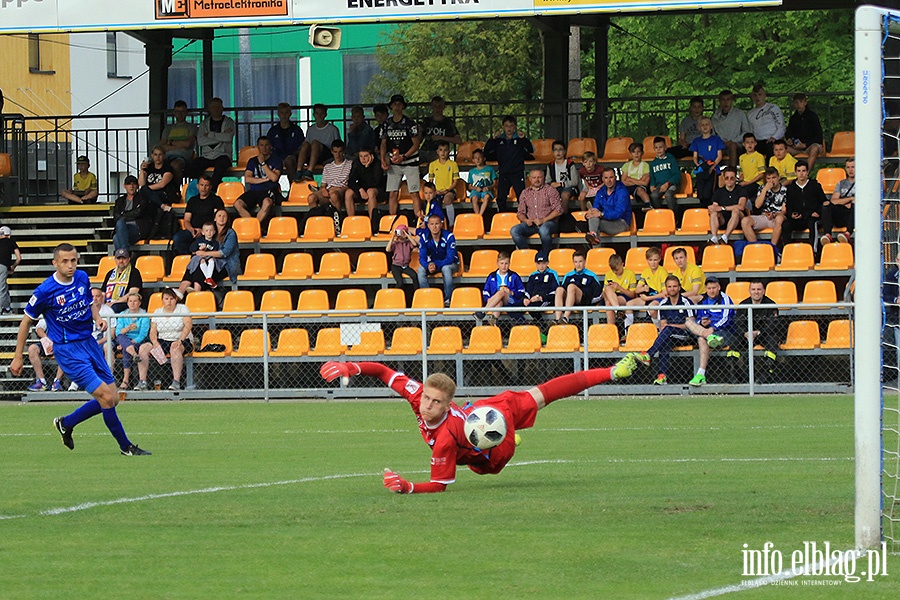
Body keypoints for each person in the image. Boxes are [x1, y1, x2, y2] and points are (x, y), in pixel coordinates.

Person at [319, 354, 642, 494]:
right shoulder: (417, 396)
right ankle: (504, 429)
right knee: (535, 397)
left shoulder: (446, 437)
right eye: (427, 399)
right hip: (481, 413)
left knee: (542, 394)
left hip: (492, 453)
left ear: (448, 405)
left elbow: (440, 486)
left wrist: (408, 487)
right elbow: (383, 371)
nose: (428, 406)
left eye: (436, 403)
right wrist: (351, 366)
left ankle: (614, 371)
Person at [9, 243, 150, 455]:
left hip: (89, 343)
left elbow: (88, 303)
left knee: (112, 398)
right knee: (105, 397)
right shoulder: (45, 291)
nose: (70, 265)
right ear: (54, 263)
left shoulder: (82, 278)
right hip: (69, 351)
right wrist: (17, 356)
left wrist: (99, 318)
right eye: (65, 261)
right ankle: (126, 447)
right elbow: (25, 322)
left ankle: (67, 423)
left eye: (73, 260)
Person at [632, 275, 707, 386]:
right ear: (666, 288)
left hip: (687, 335)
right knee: (664, 342)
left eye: (675, 286)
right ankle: (662, 376)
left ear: (679, 287)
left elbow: (691, 325)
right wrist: (670, 328)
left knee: (668, 330)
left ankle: (648, 354)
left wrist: (672, 326)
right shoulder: (663, 304)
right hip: (672, 335)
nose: (672, 289)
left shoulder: (686, 303)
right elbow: (663, 326)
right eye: (669, 286)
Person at [136, 287, 192, 391]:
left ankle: (176, 382)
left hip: (180, 339)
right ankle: (142, 381)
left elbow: (188, 325)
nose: (169, 301)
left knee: (174, 348)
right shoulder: (157, 311)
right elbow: (153, 330)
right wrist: (155, 342)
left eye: (172, 299)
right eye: (166, 299)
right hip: (162, 339)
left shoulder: (183, 308)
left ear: (176, 299)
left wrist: (180, 340)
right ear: (162, 300)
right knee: (143, 348)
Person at [178, 208, 240, 293]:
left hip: (225, 265)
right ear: (215, 218)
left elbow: (224, 253)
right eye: (219, 215)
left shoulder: (231, 233)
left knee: (199, 269)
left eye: (224, 216)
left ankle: (196, 292)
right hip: (210, 262)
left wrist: (205, 253)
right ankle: (180, 291)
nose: (221, 218)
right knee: (195, 264)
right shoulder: (210, 231)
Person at [381, 94, 422, 216]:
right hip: (394, 162)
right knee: (392, 193)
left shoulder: (410, 123)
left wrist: (404, 156)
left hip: (410, 162)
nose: (397, 106)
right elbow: (383, 143)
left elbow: (416, 144)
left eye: (399, 104)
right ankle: (392, 221)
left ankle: (418, 220)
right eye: (394, 104)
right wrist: (383, 159)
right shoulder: (386, 124)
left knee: (414, 192)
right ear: (391, 106)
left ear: (403, 106)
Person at [683, 276, 737, 368]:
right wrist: (701, 322)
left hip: (724, 332)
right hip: (706, 331)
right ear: (705, 289)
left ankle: (701, 373)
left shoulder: (725, 299)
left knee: (701, 338)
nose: (711, 291)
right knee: (688, 322)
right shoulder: (703, 300)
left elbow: (726, 318)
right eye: (709, 288)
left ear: (719, 287)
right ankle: (701, 373)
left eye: (714, 288)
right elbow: (698, 317)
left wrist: (713, 328)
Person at [483, 115, 533, 212]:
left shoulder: (519, 140)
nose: (509, 128)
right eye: (506, 125)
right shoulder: (498, 140)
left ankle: (524, 217)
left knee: (521, 197)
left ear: (515, 127)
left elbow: (530, 150)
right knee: (501, 197)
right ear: (503, 127)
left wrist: (523, 138)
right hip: (504, 172)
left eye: (511, 125)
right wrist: (493, 139)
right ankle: (502, 216)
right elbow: (486, 151)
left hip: (517, 172)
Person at [735, 280, 780, 383]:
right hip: (747, 336)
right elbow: (737, 324)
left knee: (772, 343)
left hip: (764, 335)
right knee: (734, 343)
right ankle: (736, 376)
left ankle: (766, 374)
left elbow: (774, 325)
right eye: (753, 289)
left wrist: (759, 332)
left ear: (763, 291)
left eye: (759, 289)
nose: (756, 292)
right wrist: (745, 333)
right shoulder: (743, 305)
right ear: (749, 291)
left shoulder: (771, 304)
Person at [511, 168, 562, 256]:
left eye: (539, 177)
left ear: (544, 178)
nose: (537, 180)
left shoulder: (551, 190)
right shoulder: (525, 193)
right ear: (530, 179)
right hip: (531, 224)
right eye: (534, 177)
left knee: (544, 230)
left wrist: (543, 220)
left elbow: (558, 210)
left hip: (549, 223)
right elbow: (520, 213)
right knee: (514, 230)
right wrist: (526, 220)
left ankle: (546, 256)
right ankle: (528, 255)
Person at [234, 135, 283, 225]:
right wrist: (264, 179)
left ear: (270, 146)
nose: (264, 148)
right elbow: (247, 179)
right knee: (238, 204)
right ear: (258, 147)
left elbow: (274, 178)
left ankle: (255, 225)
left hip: (269, 190)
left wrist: (263, 163)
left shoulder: (276, 160)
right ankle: (253, 225)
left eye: (266, 145)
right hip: (254, 190)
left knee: (267, 203)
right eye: (261, 145)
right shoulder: (252, 161)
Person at [189, 97, 235, 191]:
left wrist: (210, 135)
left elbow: (228, 137)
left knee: (220, 167)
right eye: (213, 107)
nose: (216, 109)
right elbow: (201, 141)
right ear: (209, 109)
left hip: (223, 154)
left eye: (218, 106)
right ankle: (199, 188)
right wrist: (221, 137)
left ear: (222, 108)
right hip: (206, 155)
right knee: (191, 168)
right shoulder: (204, 124)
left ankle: (211, 189)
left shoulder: (229, 122)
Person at [173, 173, 225, 256]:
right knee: (178, 238)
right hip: (194, 231)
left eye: (206, 185)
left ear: (210, 187)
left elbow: (219, 219)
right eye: (201, 185)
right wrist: (193, 230)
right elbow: (186, 220)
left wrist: (204, 230)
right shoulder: (192, 201)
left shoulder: (216, 200)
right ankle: (190, 256)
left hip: (210, 231)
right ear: (197, 186)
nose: (203, 188)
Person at [781, 160, 826, 248]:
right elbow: (789, 205)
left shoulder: (815, 185)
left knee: (813, 224)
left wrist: (817, 212)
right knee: (785, 225)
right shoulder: (791, 188)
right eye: (799, 171)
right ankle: (787, 250)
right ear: (795, 172)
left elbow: (823, 201)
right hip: (798, 218)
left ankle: (813, 251)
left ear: (807, 172)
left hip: (812, 217)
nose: (801, 174)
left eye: (803, 171)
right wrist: (791, 214)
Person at [624, 246, 668, 332]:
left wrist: (648, 298)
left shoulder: (663, 272)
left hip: (658, 298)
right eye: (650, 260)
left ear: (659, 260)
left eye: (655, 260)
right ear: (647, 260)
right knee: (629, 304)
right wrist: (644, 288)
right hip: (647, 297)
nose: (653, 263)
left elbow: (664, 294)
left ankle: (659, 330)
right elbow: (637, 290)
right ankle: (628, 332)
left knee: (652, 308)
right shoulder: (645, 271)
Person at [553, 249, 603, 324]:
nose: (578, 264)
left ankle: (566, 317)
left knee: (571, 286)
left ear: (585, 262)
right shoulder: (568, 275)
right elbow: (563, 290)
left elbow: (598, 294)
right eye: (576, 262)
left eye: (580, 261)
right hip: (569, 300)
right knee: (559, 289)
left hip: (584, 300)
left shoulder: (591, 275)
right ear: (573, 262)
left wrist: (592, 304)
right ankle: (557, 319)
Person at [476, 251, 526, 326]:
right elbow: (486, 291)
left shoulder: (514, 276)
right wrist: (488, 299)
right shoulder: (492, 276)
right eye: (502, 263)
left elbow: (522, 291)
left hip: (511, 301)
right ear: (497, 263)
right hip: (496, 301)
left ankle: (483, 312)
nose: (504, 266)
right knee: (498, 302)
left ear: (509, 264)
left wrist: (511, 292)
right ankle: (493, 325)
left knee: (502, 292)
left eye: (506, 263)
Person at [417, 214, 458, 304]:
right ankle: (427, 298)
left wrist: (436, 265)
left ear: (441, 224)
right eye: (432, 224)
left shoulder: (449, 236)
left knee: (446, 269)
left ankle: (448, 299)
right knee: (420, 270)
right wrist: (428, 266)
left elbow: (450, 258)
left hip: (450, 264)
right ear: (428, 225)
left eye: (437, 224)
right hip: (432, 264)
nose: (434, 227)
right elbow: (422, 257)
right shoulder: (424, 237)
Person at [585, 167, 631, 246]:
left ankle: (596, 249)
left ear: (615, 178)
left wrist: (601, 214)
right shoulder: (601, 191)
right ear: (602, 179)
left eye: (611, 177)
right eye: (606, 178)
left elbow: (618, 213)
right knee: (594, 219)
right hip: (605, 221)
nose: (609, 180)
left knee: (596, 224)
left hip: (621, 222)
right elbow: (596, 208)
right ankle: (593, 236)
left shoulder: (622, 191)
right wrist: (589, 213)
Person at [741, 167, 787, 247]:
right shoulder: (762, 188)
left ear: (778, 177)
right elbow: (757, 205)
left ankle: (773, 248)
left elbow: (784, 210)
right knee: (745, 221)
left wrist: (775, 214)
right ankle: (756, 247)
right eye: (768, 178)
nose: (771, 181)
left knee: (779, 218)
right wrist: (765, 190)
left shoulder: (785, 190)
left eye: (774, 178)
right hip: (764, 216)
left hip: (777, 218)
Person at [139, 145, 178, 240]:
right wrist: (142, 170)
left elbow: (162, 184)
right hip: (151, 196)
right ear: (152, 155)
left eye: (160, 155)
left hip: (164, 194)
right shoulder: (150, 167)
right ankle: (162, 206)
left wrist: (146, 190)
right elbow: (141, 183)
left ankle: (161, 205)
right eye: (155, 154)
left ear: (164, 156)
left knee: (144, 191)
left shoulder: (167, 168)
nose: (157, 157)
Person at [114, 292, 149, 390]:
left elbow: (143, 334)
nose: (132, 303)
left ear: (139, 303)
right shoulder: (122, 315)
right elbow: (118, 332)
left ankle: (125, 381)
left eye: (135, 301)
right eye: (130, 301)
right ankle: (134, 355)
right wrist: (128, 328)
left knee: (126, 349)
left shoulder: (144, 315)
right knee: (122, 337)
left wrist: (130, 343)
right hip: (124, 339)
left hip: (137, 341)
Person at [297, 103, 341, 180]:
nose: (319, 116)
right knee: (305, 144)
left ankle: (309, 171)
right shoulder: (311, 129)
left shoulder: (333, 129)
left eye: (321, 113)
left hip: (326, 156)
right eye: (317, 113)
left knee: (315, 143)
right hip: (312, 157)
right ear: (314, 115)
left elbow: (338, 145)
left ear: (325, 115)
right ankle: (299, 170)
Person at [309, 139, 353, 216]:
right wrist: (323, 190)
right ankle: (316, 221)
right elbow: (323, 184)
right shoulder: (327, 167)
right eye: (335, 152)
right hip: (328, 190)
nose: (337, 155)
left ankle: (337, 219)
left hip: (341, 189)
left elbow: (351, 184)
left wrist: (336, 189)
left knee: (334, 195)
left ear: (343, 152)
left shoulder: (350, 165)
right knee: (311, 198)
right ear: (332, 152)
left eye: (340, 152)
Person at [159, 100, 197, 183]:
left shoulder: (191, 127)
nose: (180, 114)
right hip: (167, 156)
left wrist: (170, 143)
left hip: (183, 156)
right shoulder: (168, 128)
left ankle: (175, 190)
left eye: (182, 112)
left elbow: (188, 144)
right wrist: (180, 144)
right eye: (177, 112)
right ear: (174, 112)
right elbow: (161, 146)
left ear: (186, 113)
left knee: (175, 165)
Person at [707, 166, 748, 245]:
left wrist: (722, 208)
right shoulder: (718, 192)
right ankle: (714, 237)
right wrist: (713, 208)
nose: (729, 180)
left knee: (736, 211)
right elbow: (715, 207)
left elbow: (741, 206)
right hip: (723, 220)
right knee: (714, 212)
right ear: (724, 178)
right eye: (727, 178)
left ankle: (725, 236)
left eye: (732, 178)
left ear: (736, 178)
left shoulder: (741, 190)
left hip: (739, 220)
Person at [690, 116, 725, 207]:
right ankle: (703, 212)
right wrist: (699, 165)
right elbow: (695, 157)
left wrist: (712, 167)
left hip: (713, 170)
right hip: (702, 169)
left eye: (707, 124)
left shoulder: (716, 139)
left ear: (711, 126)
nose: (705, 126)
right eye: (702, 125)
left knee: (710, 194)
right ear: (699, 127)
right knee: (701, 194)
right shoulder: (696, 141)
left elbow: (719, 156)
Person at [785, 93, 825, 171]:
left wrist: (805, 144)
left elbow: (819, 136)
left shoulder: (812, 116)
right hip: (797, 148)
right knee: (781, 149)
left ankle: (806, 173)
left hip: (810, 146)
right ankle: (790, 174)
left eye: (800, 102)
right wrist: (789, 139)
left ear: (805, 102)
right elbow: (789, 132)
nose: (798, 104)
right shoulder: (793, 118)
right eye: (796, 102)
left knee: (815, 148)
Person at [419, 95, 462, 168]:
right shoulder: (427, 121)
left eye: (440, 106)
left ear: (443, 107)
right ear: (432, 107)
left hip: (440, 152)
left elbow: (458, 140)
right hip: (425, 150)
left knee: (436, 164)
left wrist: (441, 138)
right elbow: (419, 140)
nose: (437, 109)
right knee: (411, 162)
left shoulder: (447, 122)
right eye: (435, 106)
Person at [819, 157, 855, 245]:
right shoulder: (841, 183)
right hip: (841, 212)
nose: (850, 170)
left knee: (855, 205)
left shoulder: (863, 182)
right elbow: (834, 201)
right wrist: (850, 199)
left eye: (853, 167)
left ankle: (848, 233)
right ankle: (827, 234)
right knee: (826, 205)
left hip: (854, 215)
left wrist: (842, 201)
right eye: (848, 167)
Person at [266, 102, 305, 182]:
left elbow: (301, 147)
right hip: (277, 157)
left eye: (286, 112)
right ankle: (272, 189)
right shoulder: (273, 131)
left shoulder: (297, 130)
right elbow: (268, 147)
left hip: (292, 157)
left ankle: (293, 188)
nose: (284, 115)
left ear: (290, 114)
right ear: (278, 114)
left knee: (289, 161)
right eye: (282, 113)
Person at [711, 89, 750, 167]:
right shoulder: (715, 116)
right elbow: (712, 134)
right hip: (721, 145)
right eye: (723, 100)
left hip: (736, 144)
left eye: (728, 99)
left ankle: (732, 172)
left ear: (732, 101)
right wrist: (721, 142)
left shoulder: (740, 114)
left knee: (732, 146)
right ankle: (714, 174)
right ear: (719, 101)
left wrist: (734, 141)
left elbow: (746, 132)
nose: (726, 102)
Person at [348, 146, 387, 222]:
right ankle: (351, 221)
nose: (363, 159)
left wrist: (367, 167)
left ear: (371, 156)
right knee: (348, 193)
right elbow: (351, 181)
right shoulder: (356, 163)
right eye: (361, 156)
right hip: (363, 191)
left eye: (365, 156)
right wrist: (360, 189)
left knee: (370, 191)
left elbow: (374, 183)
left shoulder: (377, 164)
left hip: (378, 192)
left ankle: (373, 222)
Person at [26, 316, 65, 392]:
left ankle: (57, 382)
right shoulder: (48, 316)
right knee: (32, 349)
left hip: (62, 344)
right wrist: (48, 341)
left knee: (65, 350)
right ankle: (41, 382)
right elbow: (39, 329)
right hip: (48, 344)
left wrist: (56, 345)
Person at [112, 175, 151, 250]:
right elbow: (116, 216)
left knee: (117, 236)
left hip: (138, 228)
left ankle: (123, 257)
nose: (131, 186)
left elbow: (139, 212)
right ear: (125, 186)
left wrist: (123, 214)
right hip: (124, 228)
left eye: (134, 184)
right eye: (129, 184)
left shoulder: (142, 198)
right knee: (118, 229)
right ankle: (125, 254)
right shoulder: (120, 201)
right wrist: (131, 214)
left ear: (137, 186)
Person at [747, 84, 786, 159]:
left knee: (771, 148)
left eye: (760, 94)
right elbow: (750, 131)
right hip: (757, 141)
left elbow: (781, 127)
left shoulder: (773, 108)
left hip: (772, 140)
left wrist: (774, 137)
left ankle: (771, 170)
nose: (757, 97)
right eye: (755, 95)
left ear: (765, 95)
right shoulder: (750, 114)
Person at [185, 222, 227, 290]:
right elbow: (192, 249)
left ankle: (208, 278)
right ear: (203, 232)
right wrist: (200, 249)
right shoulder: (198, 241)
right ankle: (208, 279)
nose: (209, 232)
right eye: (207, 231)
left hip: (210, 258)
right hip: (200, 258)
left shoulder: (215, 243)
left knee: (211, 259)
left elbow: (216, 252)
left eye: (211, 230)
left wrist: (207, 252)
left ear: (214, 232)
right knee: (201, 260)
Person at [427, 140, 460, 226]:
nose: (443, 152)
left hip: (449, 190)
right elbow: (431, 181)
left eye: (445, 150)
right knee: (432, 202)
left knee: (447, 200)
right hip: (437, 191)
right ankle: (435, 224)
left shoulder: (453, 164)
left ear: (449, 151)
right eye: (441, 150)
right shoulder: (432, 165)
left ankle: (451, 225)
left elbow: (455, 181)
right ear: (437, 152)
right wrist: (434, 191)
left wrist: (448, 190)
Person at [600, 254, 637, 327]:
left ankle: (611, 330)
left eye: (617, 269)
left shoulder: (630, 273)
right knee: (608, 291)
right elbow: (604, 293)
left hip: (624, 296)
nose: (615, 272)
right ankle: (617, 310)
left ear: (622, 264)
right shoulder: (608, 274)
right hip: (612, 295)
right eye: (613, 270)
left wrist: (619, 288)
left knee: (609, 303)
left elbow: (633, 295)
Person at [101, 248, 143, 313]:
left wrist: (113, 303)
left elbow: (133, 293)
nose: (121, 261)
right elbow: (103, 293)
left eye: (124, 258)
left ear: (129, 259)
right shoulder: (110, 273)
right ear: (115, 259)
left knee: (115, 307)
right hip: (109, 303)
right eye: (118, 258)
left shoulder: (134, 272)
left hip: (126, 303)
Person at [522, 251, 560, 321]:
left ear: (548, 263)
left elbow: (555, 291)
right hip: (534, 300)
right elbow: (528, 290)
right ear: (535, 264)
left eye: (543, 263)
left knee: (533, 308)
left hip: (547, 299)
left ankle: (543, 327)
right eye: (538, 264)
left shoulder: (553, 273)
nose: (541, 266)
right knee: (528, 306)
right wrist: (526, 298)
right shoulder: (532, 275)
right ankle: (542, 326)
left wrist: (540, 298)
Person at [385, 223, 419, 299]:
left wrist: (407, 235)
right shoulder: (395, 244)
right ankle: (393, 296)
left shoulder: (408, 244)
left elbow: (414, 244)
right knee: (400, 282)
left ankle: (417, 294)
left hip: (405, 266)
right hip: (396, 266)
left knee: (414, 276)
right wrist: (393, 237)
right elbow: (387, 249)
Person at [648, 137, 680, 212]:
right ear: (654, 149)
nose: (658, 150)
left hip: (672, 184)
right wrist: (652, 185)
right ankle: (661, 214)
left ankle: (674, 216)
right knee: (654, 196)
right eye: (656, 147)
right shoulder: (653, 163)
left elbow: (677, 176)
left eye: (661, 147)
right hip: (660, 185)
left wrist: (668, 184)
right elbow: (652, 178)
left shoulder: (671, 159)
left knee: (668, 195)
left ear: (665, 148)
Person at [545, 139, 580, 209]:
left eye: (560, 149)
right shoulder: (551, 165)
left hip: (569, 187)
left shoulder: (570, 164)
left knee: (565, 195)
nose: (558, 152)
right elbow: (547, 181)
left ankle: (563, 216)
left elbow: (575, 181)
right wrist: (551, 184)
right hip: (555, 188)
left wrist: (562, 184)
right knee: (549, 195)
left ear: (564, 151)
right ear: (552, 152)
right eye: (555, 150)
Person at [467, 148, 497, 217]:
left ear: (484, 159)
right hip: (476, 191)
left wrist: (489, 187)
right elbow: (469, 186)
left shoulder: (490, 169)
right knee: (474, 198)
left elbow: (495, 182)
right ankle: (478, 216)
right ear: (473, 160)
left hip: (486, 190)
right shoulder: (471, 171)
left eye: (479, 157)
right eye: (475, 158)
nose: (477, 159)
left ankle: (480, 215)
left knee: (486, 197)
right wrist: (475, 188)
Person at [737, 133, 767, 200]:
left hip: (756, 183)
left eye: (752, 142)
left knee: (744, 193)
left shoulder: (759, 156)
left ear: (755, 143)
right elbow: (741, 172)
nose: (750, 144)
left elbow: (762, 174)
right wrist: (740, 180)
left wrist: (748, 183)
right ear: (743, 144)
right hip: (745, 183)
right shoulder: (741, 157)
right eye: (747, 142)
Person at [0, 225, 20, 314]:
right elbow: (19, 258)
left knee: (4, 286)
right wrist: (13, 267)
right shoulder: (10, 241)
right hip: (3, 266)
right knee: (2, 287)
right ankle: (3, 308)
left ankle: (7, 307)